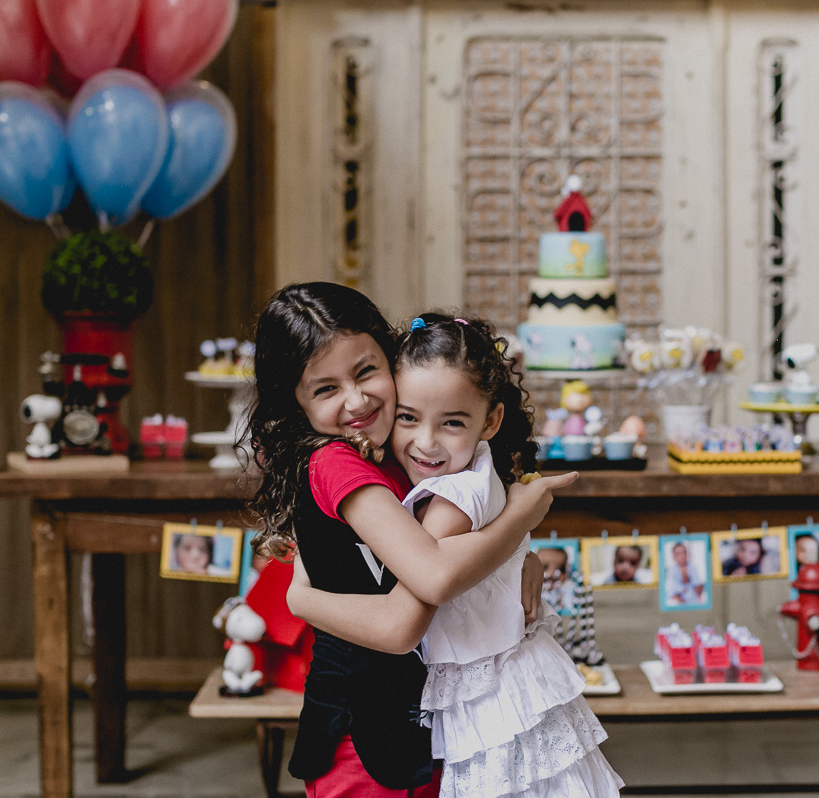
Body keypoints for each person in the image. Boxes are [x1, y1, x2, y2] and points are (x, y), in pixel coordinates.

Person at [246, 283, 575, 798]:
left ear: (391, 359)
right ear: (295, 399)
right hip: (363, 737)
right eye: (325, 389)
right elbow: (430, 580)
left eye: (365, 372)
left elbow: (451, 549)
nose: (356, 400)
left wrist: (518, 557)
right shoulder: (337, 463)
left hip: (415, 728)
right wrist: (519, 517)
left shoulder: (394, 449)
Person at [384, 313, 622, 797]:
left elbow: (419, 582)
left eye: (452, 422)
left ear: (490, 420)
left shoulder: (450, 500)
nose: (425, 442)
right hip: (516, 678)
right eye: (407, 417)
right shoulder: (481, 471)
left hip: (492, 694)